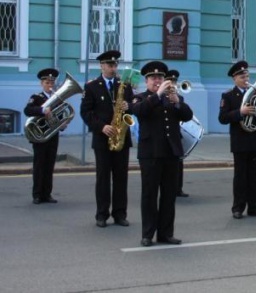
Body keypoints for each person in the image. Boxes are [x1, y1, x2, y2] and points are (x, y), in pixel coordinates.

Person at [131, 61, 193, 247]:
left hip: (171, 153)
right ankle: (148, 234)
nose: (157, 80)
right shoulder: (140, 98)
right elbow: (139, 111)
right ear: (146, 81)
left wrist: (176, 102)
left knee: (169, 195)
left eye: (160, 78)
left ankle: (166, 233)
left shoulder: (173, 98)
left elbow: (188, 115)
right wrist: (158, 94)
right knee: (149, 195)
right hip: (150, 154)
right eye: (153, 78)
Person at [80, 50, 133, 228]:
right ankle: (101, 214)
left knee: (121, 178)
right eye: (110, 65)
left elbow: (133, 108)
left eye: (115, 65)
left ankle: (120, 214)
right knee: (103, 178)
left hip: (121, 137)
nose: (113, 68)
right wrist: (102, 127)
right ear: (101, 66)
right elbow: (86, 112)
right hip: (103, 138)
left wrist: (129, 106)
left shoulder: (124, 85)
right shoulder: (92, 86)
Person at [218, 60, 256, 220]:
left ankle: (254, 207)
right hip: (240, 141)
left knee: (253, 176)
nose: (245, 78)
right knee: (240, 176)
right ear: (234, 78)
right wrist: (240, 112)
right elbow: (223, 118)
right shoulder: (228, 95)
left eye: (247, 75)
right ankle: (238, 207)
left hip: (255, 139)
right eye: (242, 76)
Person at [24, 68, 64, 205]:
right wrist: (42, 110)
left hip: (53, 135)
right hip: (39, 136)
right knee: (39, 165)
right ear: (42, 83)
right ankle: (37, 194)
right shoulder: (36, 97)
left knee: (49, 165)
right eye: (47, 82)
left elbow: (60, 115)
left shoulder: (57, 99)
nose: (50, 85)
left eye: (52, 82)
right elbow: (27, 110)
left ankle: (47, 194)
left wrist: (62, 124)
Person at [166, 70, 189, 198]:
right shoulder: (161, 96)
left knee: (178, 163)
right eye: (170, 81)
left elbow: (184, 115)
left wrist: (177, 102)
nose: (173, 84)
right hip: (164, 136)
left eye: (175, 81)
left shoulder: (179, 97)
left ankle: (178, 188)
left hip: (176, 134)